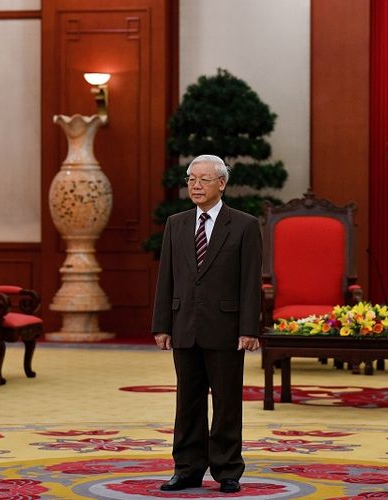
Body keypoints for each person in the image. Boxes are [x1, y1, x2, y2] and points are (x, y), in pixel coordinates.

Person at [151, 154, 261, 493]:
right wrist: (161, 324)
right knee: (188, 401)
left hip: (227, 328)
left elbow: (249, 281)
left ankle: (228, 470)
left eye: (204, 179)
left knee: (227, 401)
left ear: (222, 183)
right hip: (184, 324)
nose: (196, 186)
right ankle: (187, 469)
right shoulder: (176, 224)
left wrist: (249, 329)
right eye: (191, 180)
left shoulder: (244, 225)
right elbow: (166, 277)